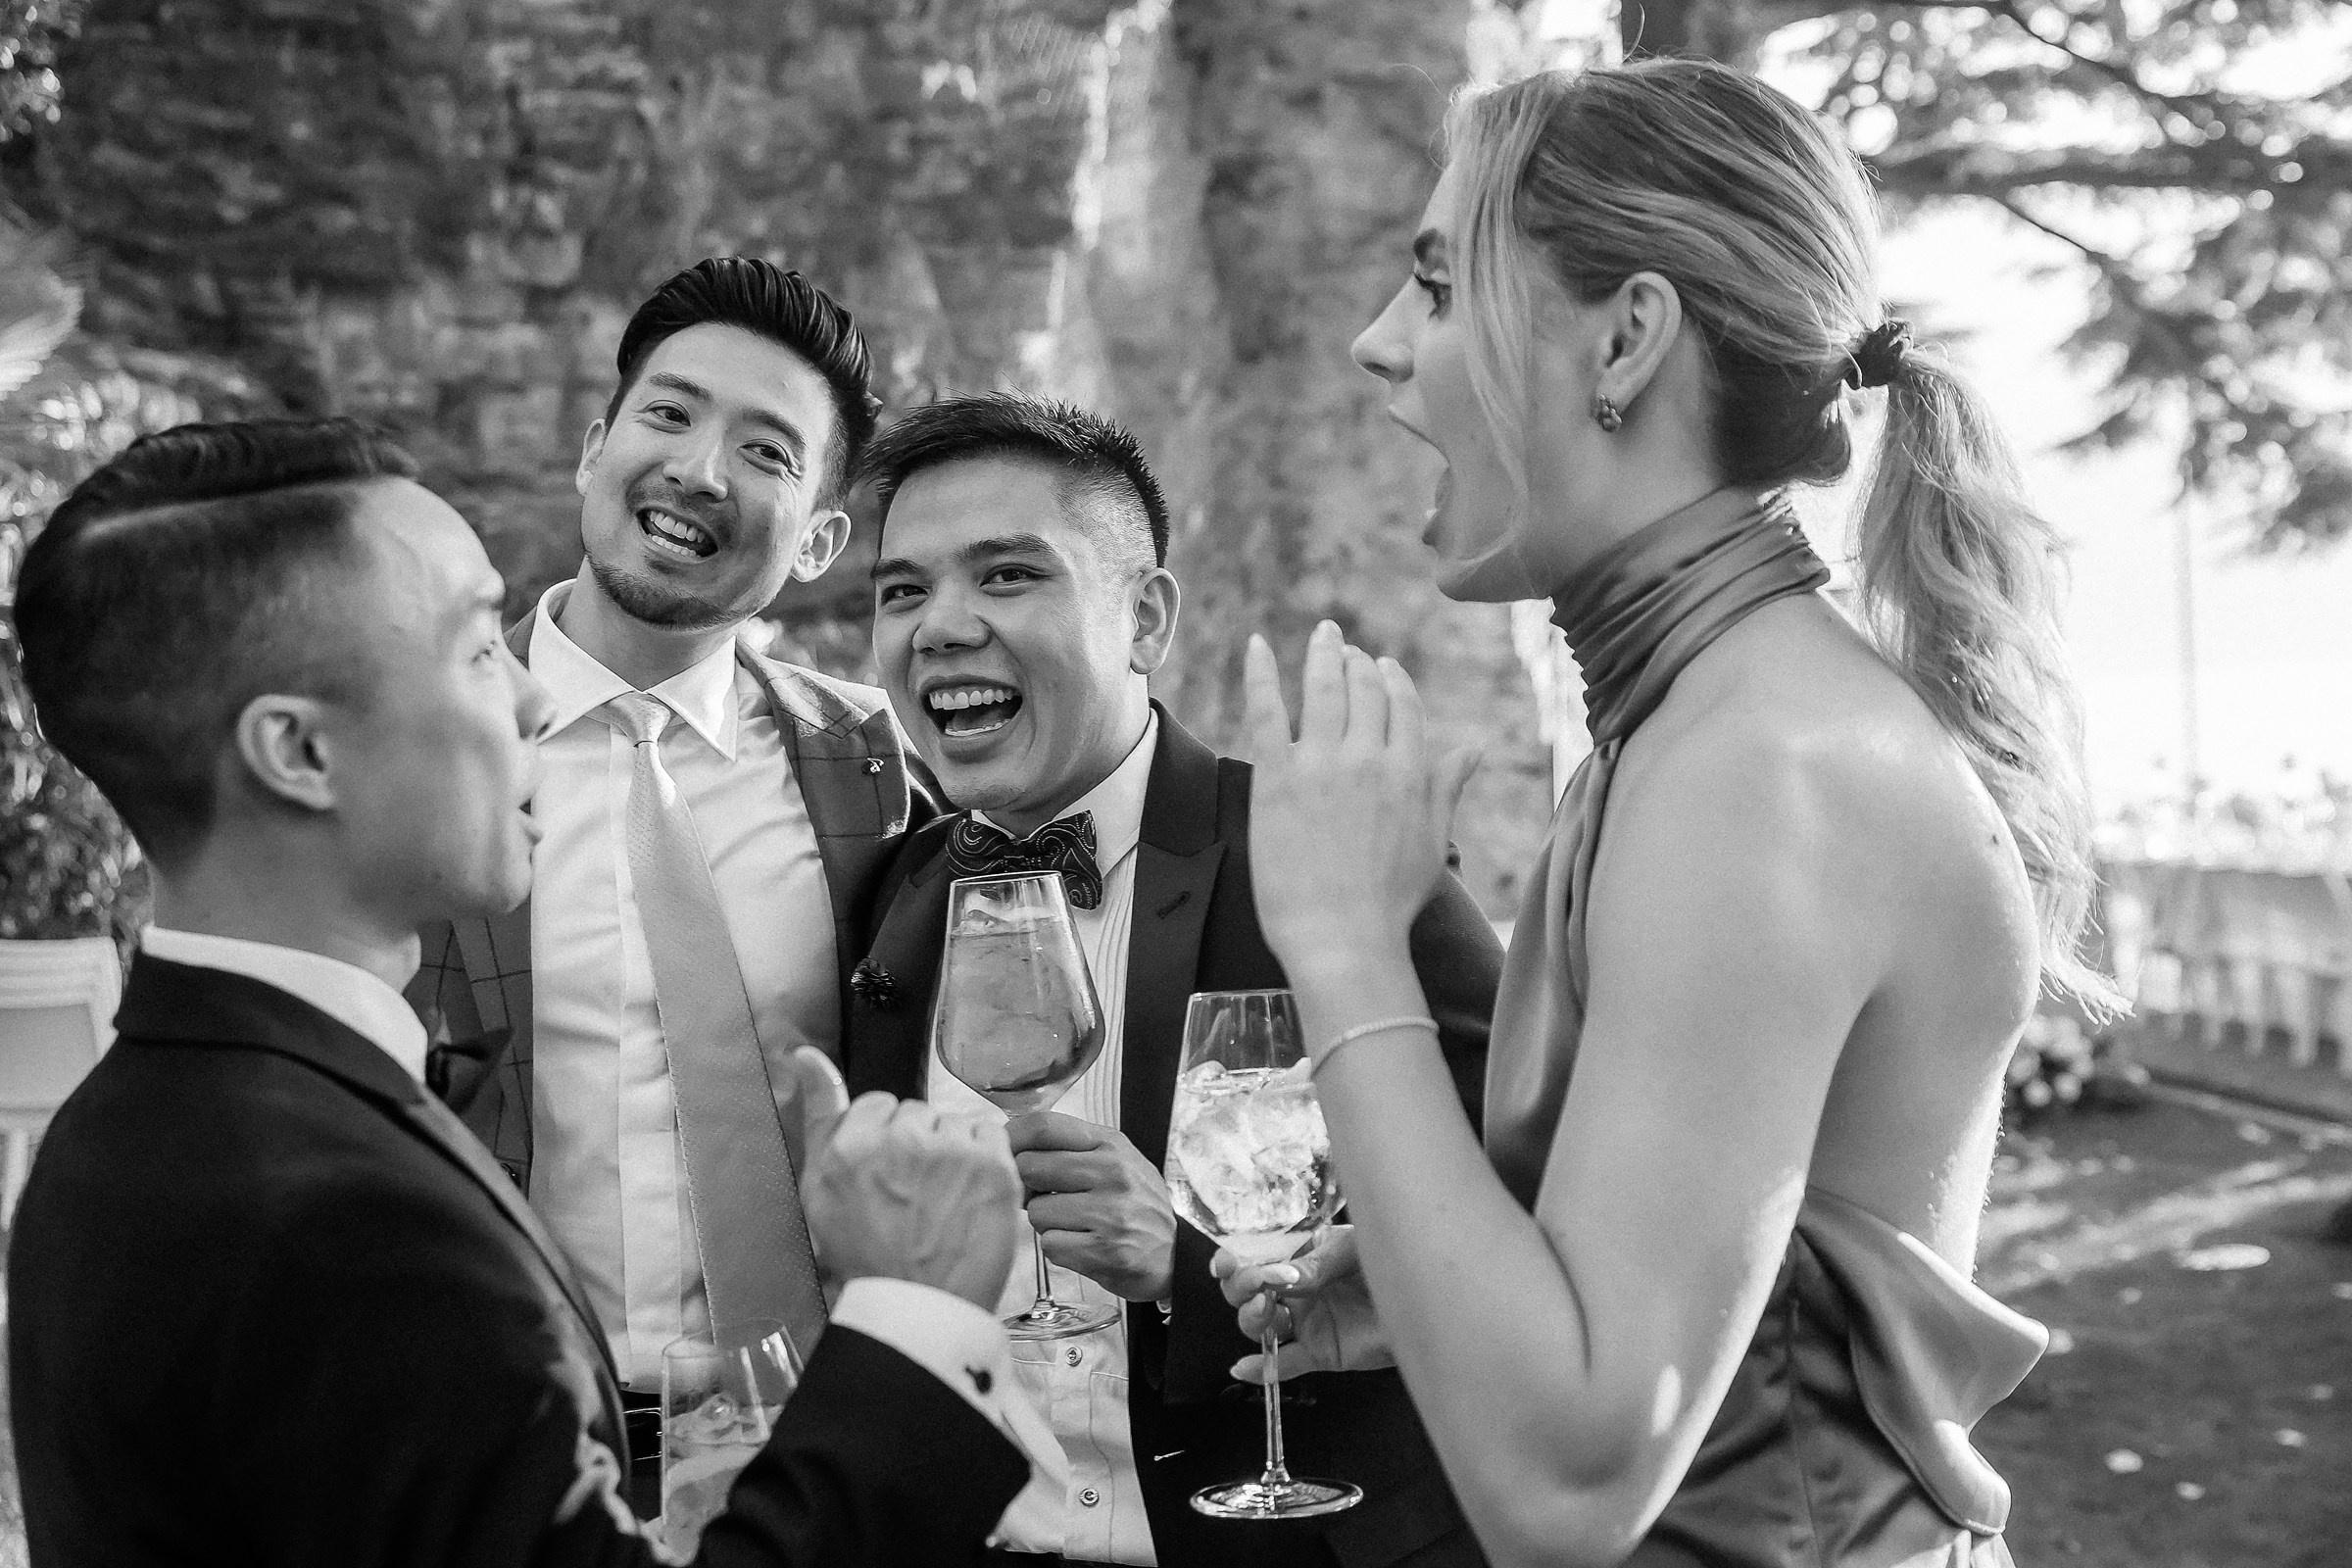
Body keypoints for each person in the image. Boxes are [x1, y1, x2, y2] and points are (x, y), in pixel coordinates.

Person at [1215, 60, 2100, 1568]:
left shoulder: (1763, 770)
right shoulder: (1699, 723)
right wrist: (1443, 1282)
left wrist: (1344, 942)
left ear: (1624, 337)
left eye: (1435, 286)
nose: (1376, 347)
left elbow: (1569, 1488)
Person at [7, 417, 1038, 1566]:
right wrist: (915, 1311)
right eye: (471, 649)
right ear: (297, 753)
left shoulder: (132, 1128)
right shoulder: (337, 1223)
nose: (537, 704)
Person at [845, 392, 1501, 1568]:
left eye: (1005, 577)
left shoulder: (1327, 860)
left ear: (1144, 617)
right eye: (903, 591)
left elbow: (1523, 1225)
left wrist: (1187, 1268)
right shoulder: (888, 900)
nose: (940, 625)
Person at [406, 259, 934, 1481]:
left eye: (767, 451)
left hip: (804, 1446)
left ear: (819, 541)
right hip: (506, 1444)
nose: (700, 470)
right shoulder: (432, 741)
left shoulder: (872, 763)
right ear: (595, 447)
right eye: (670, 414)